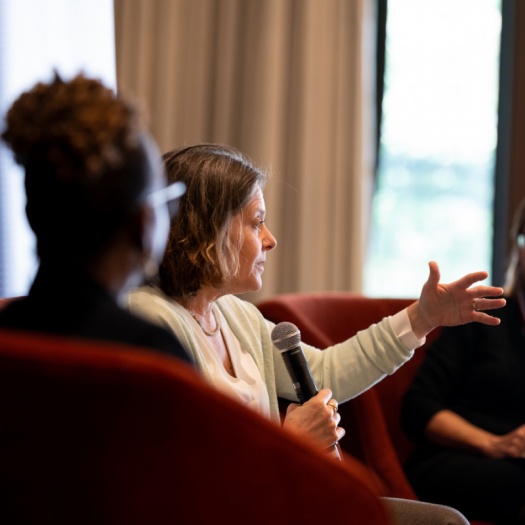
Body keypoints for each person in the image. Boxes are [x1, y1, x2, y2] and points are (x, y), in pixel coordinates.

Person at [129, 143, 505, 525]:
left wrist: (422, 318)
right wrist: (289, 443)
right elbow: (181, 471)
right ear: (210, 229)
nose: (270, 239)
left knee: (446, 522)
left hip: (275, 498)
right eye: (256, 222)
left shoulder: (233, 314)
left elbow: (322, 374)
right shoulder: (152, 320)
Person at [0, 73, 189, 364]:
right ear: (143, 223)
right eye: (166, 199)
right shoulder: (153, 356)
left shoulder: (9, 334)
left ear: (31, 215)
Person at [402, 200, 525, 524]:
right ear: (518, 247)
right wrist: (494, 444)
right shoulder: (483, 318)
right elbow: (419, 408)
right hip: (460, 458)